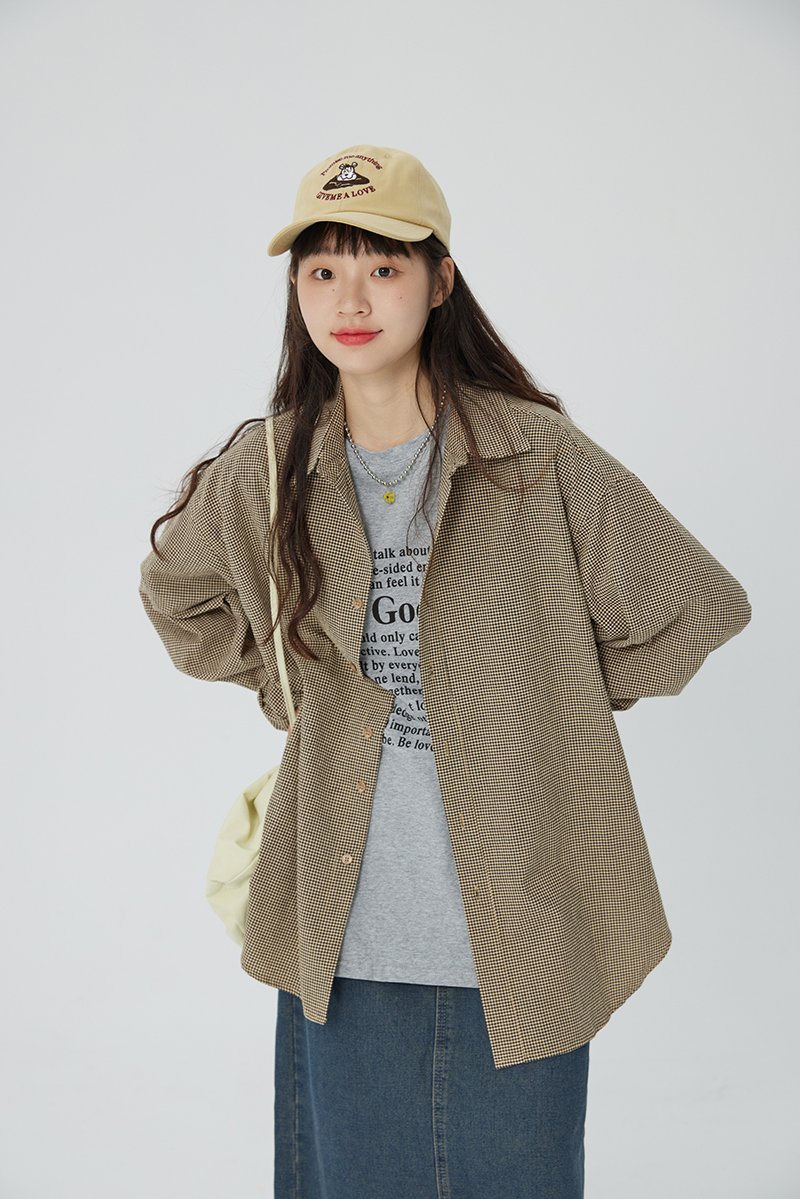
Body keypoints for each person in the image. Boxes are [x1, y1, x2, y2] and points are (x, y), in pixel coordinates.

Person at [140, 144, 751, 1198]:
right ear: (296, 290)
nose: (350, 299)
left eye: (382, 266)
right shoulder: (269, 468)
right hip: (343, 925)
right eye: (322, 269)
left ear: (439, 281)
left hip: (521, 919)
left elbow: (696, 605)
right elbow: (177, 597)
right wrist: (292, 690)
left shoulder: (535, 457)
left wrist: (550, 692)